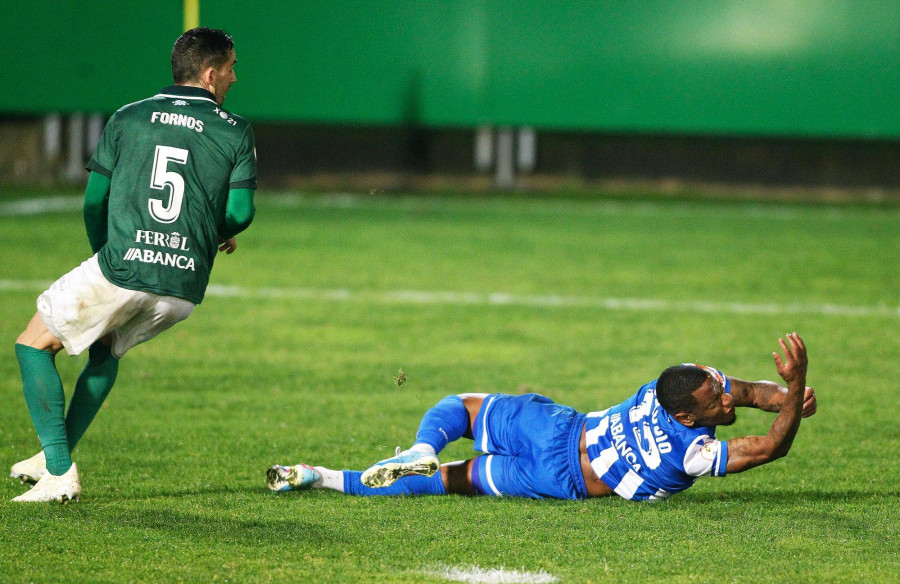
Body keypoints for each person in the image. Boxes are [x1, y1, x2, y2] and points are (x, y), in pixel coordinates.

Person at [10, 27, 257, 503]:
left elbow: (95, 200)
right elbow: (240, 214)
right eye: (230, 68)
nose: (233, 77)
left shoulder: (129, 117)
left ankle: (60, 471)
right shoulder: (236, 129)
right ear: (209, 74)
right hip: (183, 288)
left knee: (32, 346)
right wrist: (211, 232)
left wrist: (104, 253)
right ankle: (49, 458)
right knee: (105, 351)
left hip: (126, 266)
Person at [267, 333, 815, 501]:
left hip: (556, 428)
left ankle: (347, 467)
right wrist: (791, 390)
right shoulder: (692, 452)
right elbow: (771, 446)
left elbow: (749, 394)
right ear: (686, 416)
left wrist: (791, 396)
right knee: (450, 484)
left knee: (461, 408)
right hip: (558, 477)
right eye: (718, 399)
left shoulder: (675, 384)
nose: (727, 398)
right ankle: (340, 475)